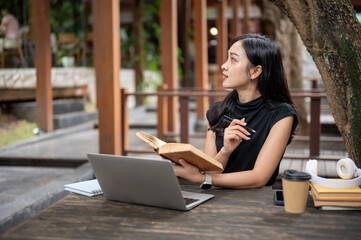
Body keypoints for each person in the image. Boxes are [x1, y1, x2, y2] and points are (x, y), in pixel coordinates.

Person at [173, 34, 298, 189]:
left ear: (255, 71)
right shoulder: (216, 112)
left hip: (256, 203)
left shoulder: (281, 115)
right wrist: (226, 151)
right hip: (216, 197)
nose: (223, 66)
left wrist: (202, 178)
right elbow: (209, 171)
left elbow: (259, 178)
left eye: (233, 59)